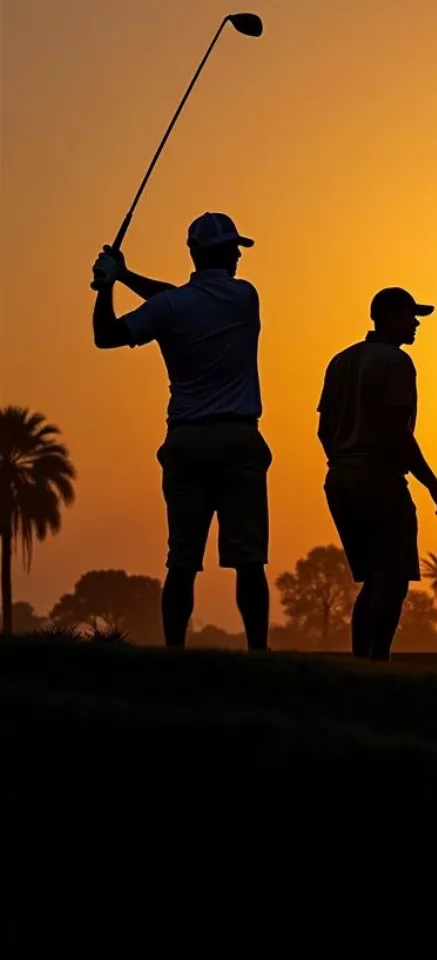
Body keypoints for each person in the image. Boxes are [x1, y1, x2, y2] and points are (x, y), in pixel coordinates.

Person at [91, 212, 271, 649]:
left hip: (186, 441)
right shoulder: (246, 297)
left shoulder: (171, 308)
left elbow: (107, 334)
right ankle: (259, 653)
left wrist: (110, 283)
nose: (238, 257)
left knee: (182, 561)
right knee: (249, 560)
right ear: (227, 254)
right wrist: (125, 276)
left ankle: (174, 652)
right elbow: (174, 299)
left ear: (194, 252)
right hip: (236, 439)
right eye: (235, 249)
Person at [317, 288, 437, 660]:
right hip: (379, 481)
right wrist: (436, 488)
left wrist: (345, 462)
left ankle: (361, 662)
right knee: (393, 580)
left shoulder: (340, 361)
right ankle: (378, 661)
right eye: (411, 316)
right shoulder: (396, 363)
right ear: (390, 316)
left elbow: (324, 430)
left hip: (340, 480)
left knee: (373, 580)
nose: (415, 324)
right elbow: (400, 433)